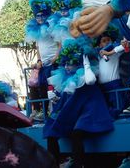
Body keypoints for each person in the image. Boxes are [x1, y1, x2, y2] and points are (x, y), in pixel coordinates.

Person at [43, 38, 112, 167]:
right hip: (72, 112)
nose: (67, 67)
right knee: (51, 133)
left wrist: (86, 64)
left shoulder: (84, 75)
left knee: (77, 133)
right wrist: (55, 97)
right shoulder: (66, 78)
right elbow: (66, 99)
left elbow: (90, 80)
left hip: (90, 110)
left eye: (71, 63)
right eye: (65, 63)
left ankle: (79, 165)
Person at [25, 0, 59, 116]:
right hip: (44, 65)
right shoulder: (37, 31)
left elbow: (60, 44)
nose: (40, 18)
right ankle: (43, 112)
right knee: (42, 87)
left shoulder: (52, 28)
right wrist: (39, 60)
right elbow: (38, 48)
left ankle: (56, 111)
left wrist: (56, 58)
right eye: (37, 15)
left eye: (42, 15)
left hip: (54, 64)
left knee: (55, 89)